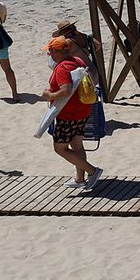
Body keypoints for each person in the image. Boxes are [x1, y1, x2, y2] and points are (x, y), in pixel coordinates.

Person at [40, 36, 100, 189]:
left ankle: (92, 171)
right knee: (77, 145)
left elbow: (65, 91)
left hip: (68, 115)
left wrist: (50, 95)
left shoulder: (62, 68)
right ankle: (80, 179)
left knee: (60, 148)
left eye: (50, 52)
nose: (49, 55)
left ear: (57, 52)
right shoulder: (77, 61)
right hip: (82, 110)